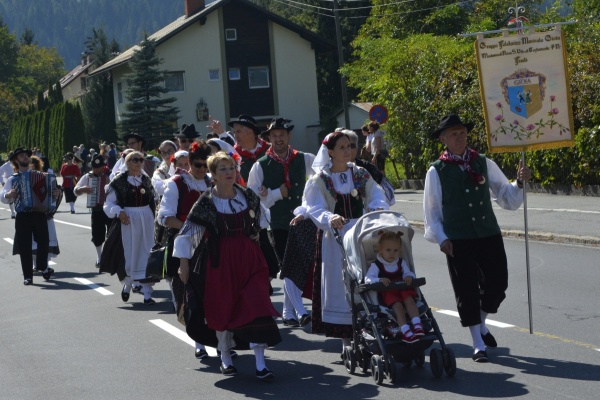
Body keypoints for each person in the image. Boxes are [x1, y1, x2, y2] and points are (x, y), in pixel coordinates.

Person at [423, 114, 532, 363]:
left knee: (498, 284)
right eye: (453, 133)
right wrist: (441, 238)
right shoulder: (436, 170)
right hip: (457, 238)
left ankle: (481, 322)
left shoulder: (482, 161)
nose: (459, 137)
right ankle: (477, 342)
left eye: (462, 132)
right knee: (467, 289)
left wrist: (519, 182)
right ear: (443, 139)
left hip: (487, 233)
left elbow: (505, 194)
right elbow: (432, 210)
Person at [173, 151, 281, 380]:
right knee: (222, 307)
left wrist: (256, 237)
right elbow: (187, 233)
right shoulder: (206, 202)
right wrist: (184, 263)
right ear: (213, 174)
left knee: (257, 305)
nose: (229, 172)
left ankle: (261, 363)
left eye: (231, 167)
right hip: (219, 261)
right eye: (223, 169)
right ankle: (225, 356)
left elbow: (263, 221)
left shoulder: (247, 196)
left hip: (249, 259)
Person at [303, 131, 388, 356]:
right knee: (340, 284)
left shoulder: (360, 173)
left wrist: (377, 207)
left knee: (366, 278)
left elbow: (376, 195)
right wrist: (330, 218)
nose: (348, 150)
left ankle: (370, 327)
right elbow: (314, 207)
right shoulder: (320, 179)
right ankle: (345, 338)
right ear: (330, 152)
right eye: (342, 147)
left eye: (349, 146)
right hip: (336, 237)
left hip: (361, 233)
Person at [247, 118, 316, 327]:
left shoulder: (305, 158)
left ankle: (288, 311)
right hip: (276, 222)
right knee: (287, 265)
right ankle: (301, 311)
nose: (278, 139)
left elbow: (319, 182)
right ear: (269, 138)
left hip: (302, 220)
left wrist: (309, 204)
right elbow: (252, 198)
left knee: (298, 266)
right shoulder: (260, 165)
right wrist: (276, 194)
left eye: (282, 135)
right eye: (274, 136)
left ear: (289, 137)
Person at [158, 141, 215, 361]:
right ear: (189, 163)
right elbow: (165, 217)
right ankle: (199, 342)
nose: (201, 169)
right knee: (189, 297)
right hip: (184, 246)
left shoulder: (212, 183)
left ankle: (220, 341)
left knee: (213, 294)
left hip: (210, 247)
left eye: (205, 165)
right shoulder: (176, 184)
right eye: (197, 165)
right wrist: (190, 229)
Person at [101, 151, 157, 304]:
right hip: (128, 221)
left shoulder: (146, 180)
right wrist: (119, 212)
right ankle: (127, 284)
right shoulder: (119, 181)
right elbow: (108, 204)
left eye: (141, 160)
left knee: (146, 252)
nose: (138, 162)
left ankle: (147, 293)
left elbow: (153, 199)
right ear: (127, 162)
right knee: (130, 253)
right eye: (134, 160)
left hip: (146, 220)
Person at [0, 148, 59, 285]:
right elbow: (3, 196)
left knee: (44, 242)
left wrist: (54, 194)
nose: (25, 157)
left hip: (39, 213)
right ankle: (28, 276)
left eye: (26, 155)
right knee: (25, 246)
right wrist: (8, 195)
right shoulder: (12, 179)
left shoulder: (42, 176)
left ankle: (43, 267)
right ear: (16, 160)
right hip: (23, 215)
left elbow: (50, 192)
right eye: (21, 156)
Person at [364, 230, 424, 343]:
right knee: (398, 306)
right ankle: (405, 330)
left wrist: (409, 276)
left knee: (410, 300)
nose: (392, 253)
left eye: (396, 250)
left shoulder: (401, 262)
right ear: (380, 250)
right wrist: (379, 279)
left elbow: (408, 273)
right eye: (388, 250)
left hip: (402, 288)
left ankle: (417, 324)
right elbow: (368, 278)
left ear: (400, 250)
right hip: (388, 292)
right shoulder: (376, 265)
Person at [74, 154, 112, 268]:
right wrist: (82, 189)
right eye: (95, 168)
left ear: (103, 166)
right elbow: (75, 190)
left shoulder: (110, 175)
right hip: (96, 209)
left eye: (99, 167)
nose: (97, 170)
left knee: (111, 234)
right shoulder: (88, 176)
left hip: (110, 209)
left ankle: (110, 256)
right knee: (97, 234)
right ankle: (99, 257)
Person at [344, 129, 395, 206]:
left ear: (357, 148)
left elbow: (387, 196)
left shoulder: (366, 168)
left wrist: (377, 204)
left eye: (351, 146)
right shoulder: (327, 172)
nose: (347, 150)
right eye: (342, 147)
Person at [0, 153, 17, 218]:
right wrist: (2, 181)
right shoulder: (6, 165)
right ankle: (13, 213)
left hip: (18, 181)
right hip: (9, 182)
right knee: (10, 198)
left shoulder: (18, 163)